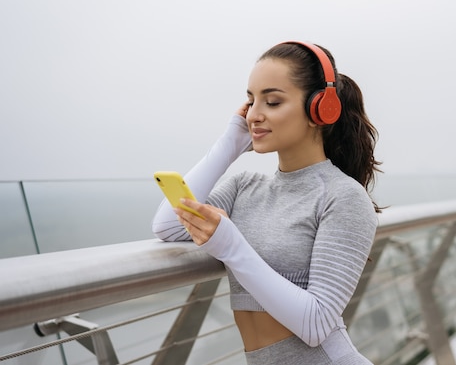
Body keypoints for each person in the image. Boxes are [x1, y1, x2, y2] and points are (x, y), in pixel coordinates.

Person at [152, 41, 382, 364]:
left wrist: (230, 244)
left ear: (320, 108)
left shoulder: (342, 197)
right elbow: (166, 226)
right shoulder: (244, 187)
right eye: (250, 100)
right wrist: (230, 143)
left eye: (272, 102)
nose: (255, 115)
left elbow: (316, 324)